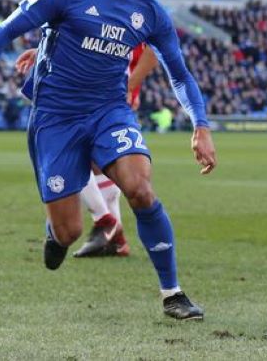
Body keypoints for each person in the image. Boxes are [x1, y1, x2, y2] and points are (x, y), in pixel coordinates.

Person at [0, 0, 216, 320]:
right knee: (69, 231)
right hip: (56, 118)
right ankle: (58, 234)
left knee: (139, 189)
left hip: (110, 111)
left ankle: (172, 293)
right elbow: (3, 31)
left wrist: (201, 126)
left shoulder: (151, 11)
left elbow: (180, 74)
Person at [15, 43, 159, 258]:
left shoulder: (135, 12)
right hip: (101, 86)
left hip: (105, 92)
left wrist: (131, 86)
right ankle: (115, 238)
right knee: (97, 164)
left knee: (71, 154)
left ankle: (107, 223)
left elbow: (153, 51)